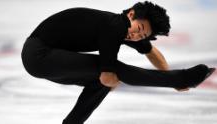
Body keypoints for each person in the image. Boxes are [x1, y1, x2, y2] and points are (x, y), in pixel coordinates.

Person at [21, 1, 215, 124]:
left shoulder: (123, 28)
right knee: (114, 72)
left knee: (101, 81)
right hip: (39, 54)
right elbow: (109, 75)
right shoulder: (114, 25)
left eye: (142, 35)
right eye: (139, 28)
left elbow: (152, 51)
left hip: (43, 58)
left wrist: (169, 80)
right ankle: (183, 78)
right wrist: (176, 80)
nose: (136, 35)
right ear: (131, 14)